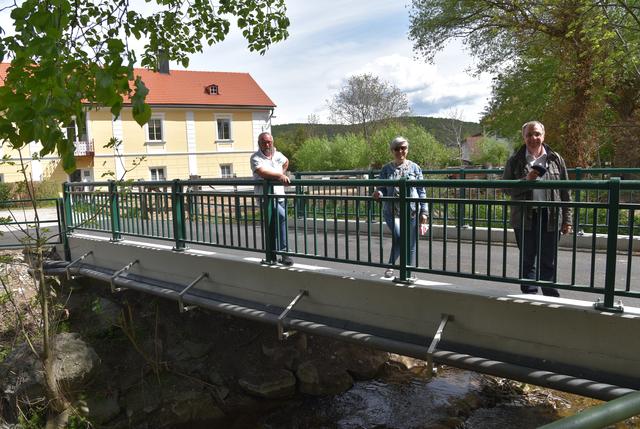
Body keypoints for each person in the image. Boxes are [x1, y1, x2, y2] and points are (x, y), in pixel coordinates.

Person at [503, 121, 572, 296]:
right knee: (528, 258)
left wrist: (567, 219)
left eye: (537, 134)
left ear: (543, 135)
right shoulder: (515, 160)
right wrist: (527, 180)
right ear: (523, 137)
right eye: (529, 135)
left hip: (550, 215)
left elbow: (565, 190)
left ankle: (550, 294)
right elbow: (506, 188)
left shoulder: (555, 158)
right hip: (525, 216)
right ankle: (529, 295)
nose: (533, 138)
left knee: (548, 258)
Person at [372, 136, 428, 278]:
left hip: (412, 211)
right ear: (392, 150)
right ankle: (391, 266)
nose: (400, 151)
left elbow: (421, 191)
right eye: (397, 148)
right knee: (398, 236)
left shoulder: (415, 168)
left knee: (411, 241)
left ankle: (408, 271)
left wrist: (424, 211)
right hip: (392, 212)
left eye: (403, 148)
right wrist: (379, 192)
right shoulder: (386, 169)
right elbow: (382, 188)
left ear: (407, 150)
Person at [250, 131, 293, 266]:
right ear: (259, 143)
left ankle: (274, 254)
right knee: (278, 220)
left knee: (279, 222)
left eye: (269, 142)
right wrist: (280, 176)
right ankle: (282, 254)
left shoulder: (278, 155)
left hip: (279, 195)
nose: (267, 144)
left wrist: (282, 172)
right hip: (266, 197)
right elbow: (262, 172)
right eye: (264, 142)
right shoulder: (255, 157)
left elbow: (286, 162)